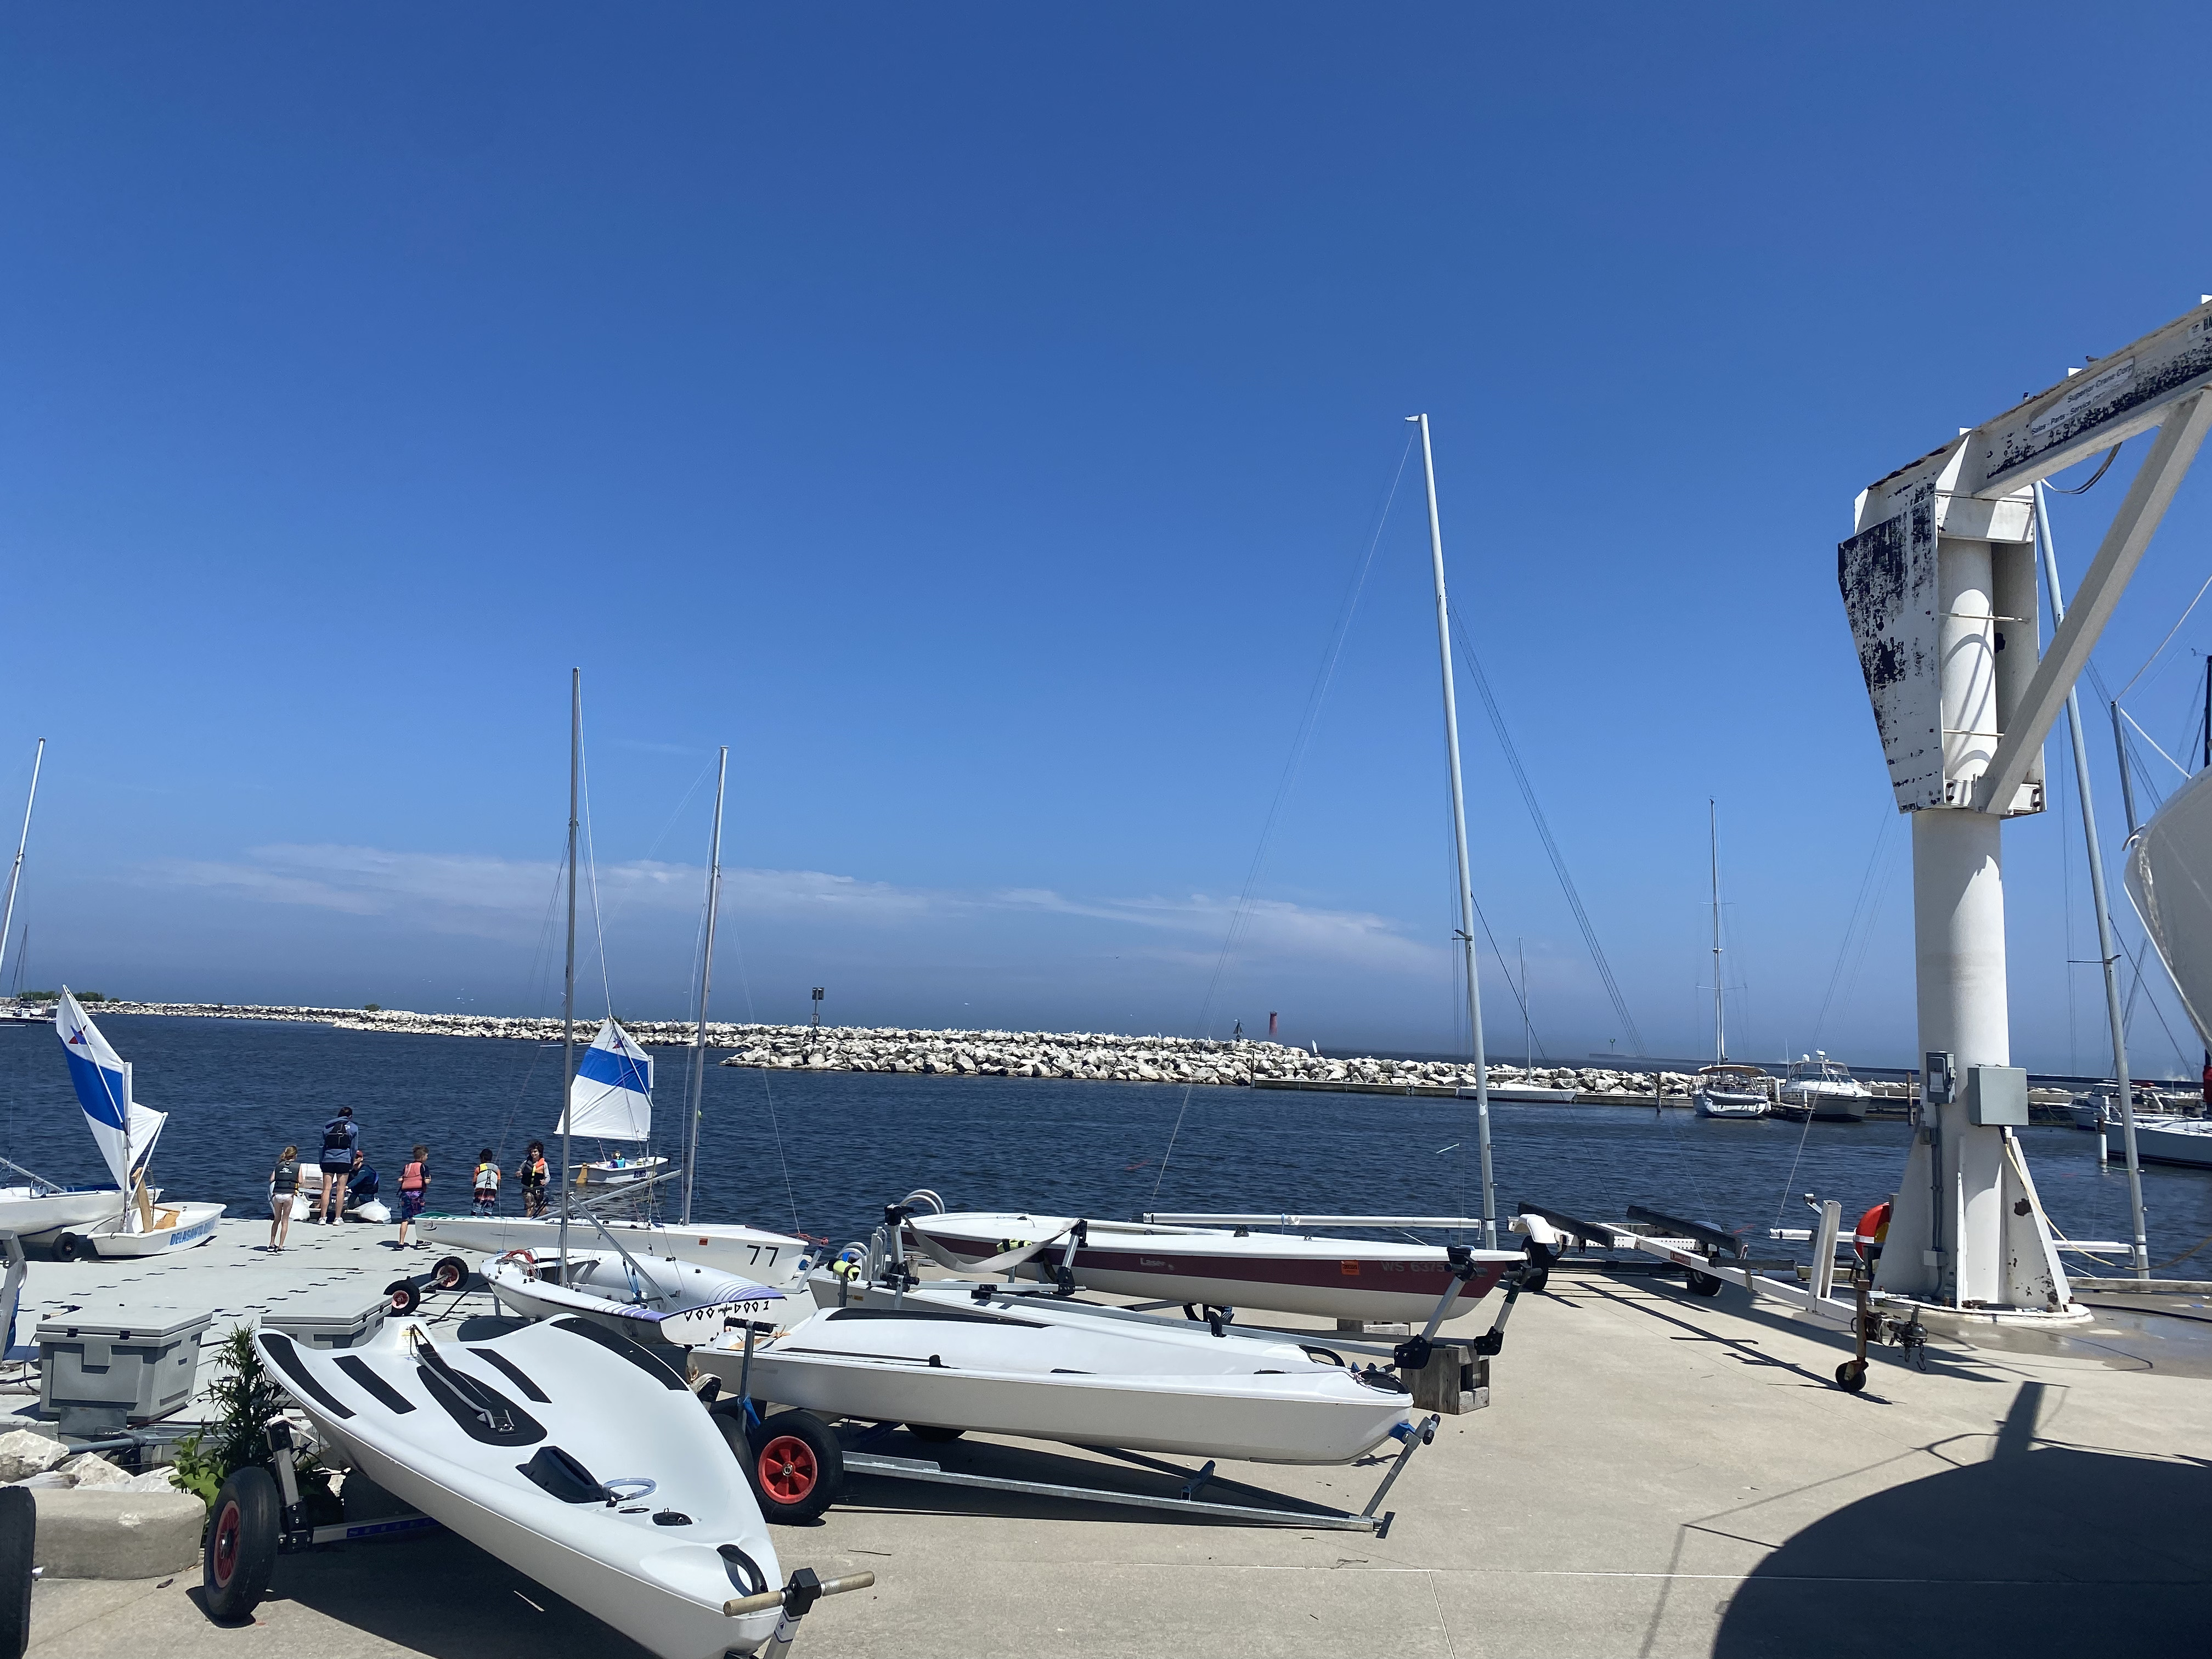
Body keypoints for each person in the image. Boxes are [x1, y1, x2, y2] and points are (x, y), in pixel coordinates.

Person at [315, 1107, 359, 1224]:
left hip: (328, 1159)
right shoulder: (353, 1128)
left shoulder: (328, 1126)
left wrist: (321, 1160)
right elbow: (354, 1147)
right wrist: (351, 1161)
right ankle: (338, 1218)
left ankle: (322, 1218)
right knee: (341, 1189)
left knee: (326, 1189)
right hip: (344, 1160)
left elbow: (322, 1146)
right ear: (350, 1116)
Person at [396, 1144, 431, 1248]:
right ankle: (421, 1240)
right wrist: (429, 1179)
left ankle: (401, 1243)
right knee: (420, 1218)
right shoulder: (424, 1167)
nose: (427, 1158)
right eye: (427, 1156)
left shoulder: (407, 1167)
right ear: (422, 1157)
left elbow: (400, 1179)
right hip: (417, 1194)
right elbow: (427, 1181)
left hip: (405, 1195)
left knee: (405, 1220)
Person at [267, 1145, 301, 1251]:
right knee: (285, 1221)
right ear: (295, 1156)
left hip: (278, 1194)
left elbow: (272, 1179)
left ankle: (272, 1243)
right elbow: (301, 1181)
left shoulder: (278, 1165)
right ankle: (281, 1246)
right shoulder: (297, 1166)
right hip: (288, 1195)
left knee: (277, 1219)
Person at [517, 1140, 550, 1219]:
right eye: (532, 1152)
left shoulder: (544, 1164)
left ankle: (541, 1220)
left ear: (540, 1152)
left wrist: (545, 1182)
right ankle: (528, 1222)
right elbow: (520, 1171)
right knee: (530, 1207)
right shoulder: (526, 1163)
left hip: (538, 1189)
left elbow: (548, 1176)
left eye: (535, 1152)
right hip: (527, 1189)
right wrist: (519, 1174)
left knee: (542, 1208)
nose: (533, 1154)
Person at [471, 1149, 500, 1216]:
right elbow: (499, 1183)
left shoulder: (479, 1168)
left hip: (480, 1191)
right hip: (492, 1192)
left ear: (483, 1158)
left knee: (475, 1210)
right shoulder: (497, 1169)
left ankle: (473, 1218)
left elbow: (474, 1182)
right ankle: (487, 1219)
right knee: (488, 1211)